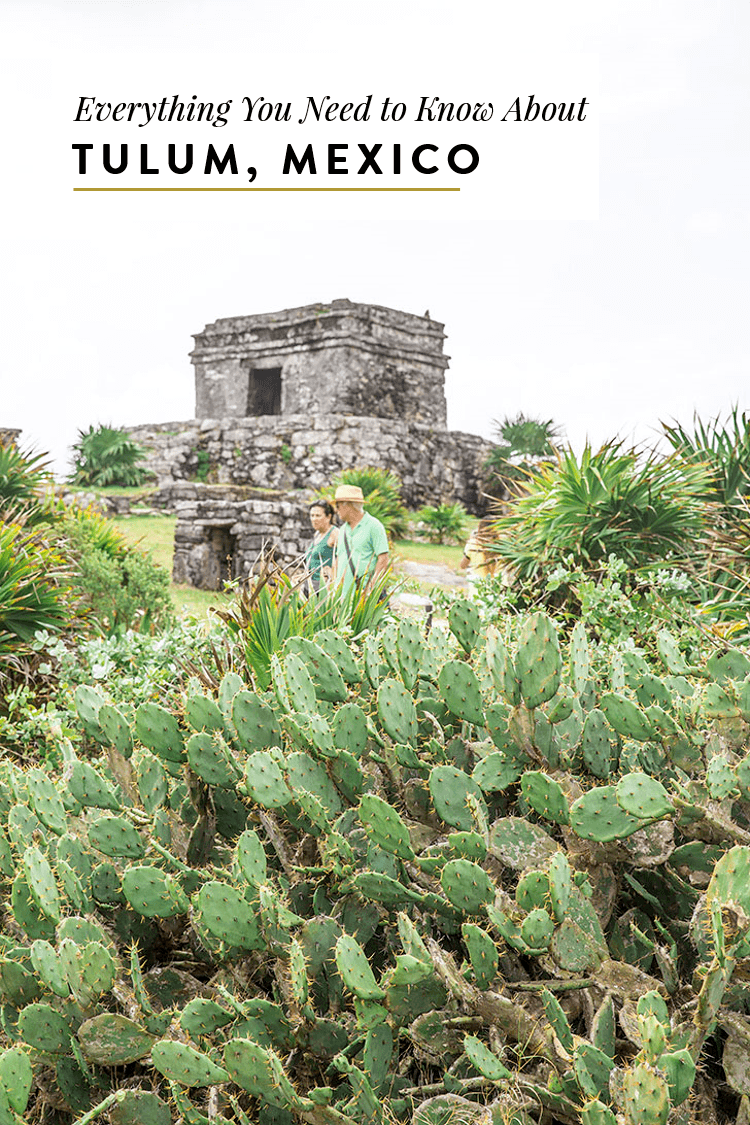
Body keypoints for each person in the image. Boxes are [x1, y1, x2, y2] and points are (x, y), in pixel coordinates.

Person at [330, 484, 390, 596]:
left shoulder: (374, 526)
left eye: (338, 506)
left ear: (348, 505)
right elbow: (338, 559)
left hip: (362, 595)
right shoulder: (342, 530)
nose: (336, 510)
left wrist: (371, 589)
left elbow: (383, 559)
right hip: (341, 595)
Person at [304, 501, 338, 590]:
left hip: (324, 587)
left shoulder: (335, 534)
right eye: (312, 515)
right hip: (310, 584)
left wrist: (332, 572)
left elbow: (347, 557)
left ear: (328, 517)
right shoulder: (317, 534)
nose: (314, 519)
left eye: (318, 516)